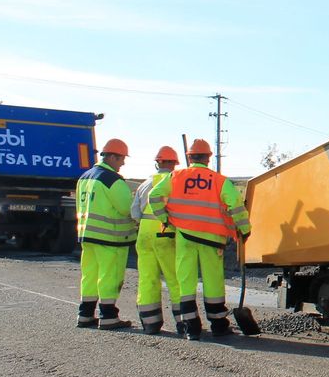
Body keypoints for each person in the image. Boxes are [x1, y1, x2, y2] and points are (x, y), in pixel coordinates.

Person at [148, 139, 250, 340]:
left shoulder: (175, 176)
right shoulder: (219, 181)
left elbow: (154, 196)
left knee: (186, 282)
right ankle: (219, 325)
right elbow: (236, 205)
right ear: (208, 157)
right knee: (213, 282)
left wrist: (165, 219)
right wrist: (245, 229)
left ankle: (191, 328)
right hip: (212, 239)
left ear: (189, 157)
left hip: (185, 238)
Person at [75, 138, 137, 330]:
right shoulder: (112, 180)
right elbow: (127, 209)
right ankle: (108, 316)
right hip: (110, 237)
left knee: (89, 275)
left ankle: (85, 314)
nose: (123, 163)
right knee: (110, 276)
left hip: (88, 235)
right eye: (122, 159)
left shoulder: (85, 177)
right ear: (112, 157)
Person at [131, 146, 182, 335]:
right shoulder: (175, 182)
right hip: (166, 232)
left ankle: (150, 323)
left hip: (144, 235)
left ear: (157, 163)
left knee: (147, 278)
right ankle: (184, 322)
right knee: (175, 279)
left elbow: (134, 213)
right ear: (174, 164)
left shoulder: (145, 184)